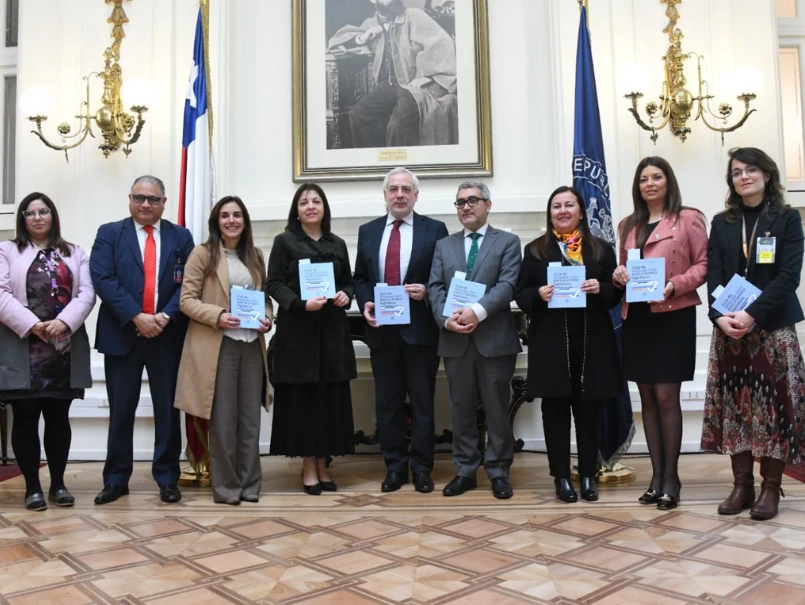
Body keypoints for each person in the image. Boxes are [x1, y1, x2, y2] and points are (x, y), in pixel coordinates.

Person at [702, 147, 805, 521]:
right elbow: (713, 274)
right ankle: (742, 484)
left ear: (767, 174)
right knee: (736, 409)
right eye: (736, 172)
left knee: (775, 410)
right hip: (730, 330)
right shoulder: (722, 221)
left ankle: (770, 488)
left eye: (750, 170)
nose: (743, 177)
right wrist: (719, 317)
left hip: (772, 328)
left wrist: (751, 314)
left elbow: (788, 277)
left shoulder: (787, 219)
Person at [90, 175, 195, 505]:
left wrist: (163, 317)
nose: (145, 204)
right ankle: (116, 479)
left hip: (166, 335)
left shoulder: (181, 236)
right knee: (121, 409)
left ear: (165, 202)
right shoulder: (110, 233)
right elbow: (103, 278)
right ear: (129, 199)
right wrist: (137, 316)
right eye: (139, 198)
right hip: (123, 334)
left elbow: (189, 283)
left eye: (152, 199)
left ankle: (166, 478)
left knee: (167, 409)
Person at [515, 186, 622, 503]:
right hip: (551, 344)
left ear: (580, 211)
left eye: (569, 205)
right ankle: (561, 477)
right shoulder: (535, 251)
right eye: (556, 206)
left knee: (589, 412)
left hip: (592, 343)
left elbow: (615, 295)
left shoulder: (601, 249)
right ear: (549, 214)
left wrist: (599, 287)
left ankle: (588, 474)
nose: (562, 211)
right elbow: (521, 294)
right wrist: (539, 295)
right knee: (555, 411)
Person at [612, 157, 707, 511]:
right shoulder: (628, 224)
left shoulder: (688, 219)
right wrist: (618, 275)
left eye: (657, 177)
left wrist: (674, 285)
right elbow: (622, 267)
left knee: (667, 399)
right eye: (643, 179)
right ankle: (655, 476)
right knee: (647, 399)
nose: (649, 183)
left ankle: (672, 478)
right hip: (637, 318)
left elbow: (704, 265)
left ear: (668, 181)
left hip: (671, 316)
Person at [353, 167, 448, 493]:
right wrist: (365, 301)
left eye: (406, 189)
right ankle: (394, 467)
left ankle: (422, 468)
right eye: (393, 189)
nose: (399, 194)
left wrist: (426, 291)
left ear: (416, 195)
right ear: (384, 195)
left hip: (420, 331)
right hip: (382, 332)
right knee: (387, 404)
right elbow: (360, 278)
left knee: (423, 404)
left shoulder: (435, 229)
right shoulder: (367, 231)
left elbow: (444, 277)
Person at [0, 193, 95, 510]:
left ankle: (58, 484)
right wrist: (33, 324)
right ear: (22, 218)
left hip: (62, 349)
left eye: (44, 211)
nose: (37, 217)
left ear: (53, 215)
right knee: (25, 419)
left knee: (58, 418)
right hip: (22, 346)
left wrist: (64, 322)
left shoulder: (75, 252)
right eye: (30, 212)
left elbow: (87, 294)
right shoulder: (7, 250)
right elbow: (0, 294)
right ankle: (32, 488)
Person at [175, 196, 273, 505]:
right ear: (217, 222)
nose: (232, 220)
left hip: (251, 345)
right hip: (219, 345)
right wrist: (217, 316)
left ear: (245, 221)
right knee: (223, 420)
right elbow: (186, 300)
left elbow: (265, 298)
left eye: (237, 215)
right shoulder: (203, 254)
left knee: (250, 419)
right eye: (225, 215)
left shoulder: (255, 256)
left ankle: (251, 483)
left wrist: (268, 317)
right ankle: (228, 487)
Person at [428, 182, 522, 499]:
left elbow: (507, 285)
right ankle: (465, 470)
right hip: (455, 340)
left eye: (473, 200)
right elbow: (435, 288)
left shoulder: (507, 242)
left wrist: (475, 312)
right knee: (461, 409)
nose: (466, 207)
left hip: (494, 340)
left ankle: (498, 471)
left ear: (488, 204)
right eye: (460, 203)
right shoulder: (444, 246)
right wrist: (447, 319)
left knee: (496, 409)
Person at [267, 184, 356, 495]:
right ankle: (308, 467)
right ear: (297, 210)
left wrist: (348, 294)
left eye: (316, 201)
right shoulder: (284, 242)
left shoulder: (338, 243)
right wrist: (300, 303)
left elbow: (348, 281)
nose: (310, 206)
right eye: (304, 202)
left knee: (328, 401)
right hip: (298, 335)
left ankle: (322, 465)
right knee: (305, 403)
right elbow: (274, 283)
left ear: (324, 208)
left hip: (331, 334)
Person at [328, 0, 457, 147]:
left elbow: (442, 45)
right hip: (388, 85)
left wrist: (426, 78)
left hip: (412, 84)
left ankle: (402, 162)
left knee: (399, 122)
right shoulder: (372, 23)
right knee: (357, 114)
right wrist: (362, 38)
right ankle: (374, 162)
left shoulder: (414, 16)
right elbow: (339, 39)